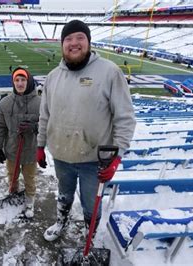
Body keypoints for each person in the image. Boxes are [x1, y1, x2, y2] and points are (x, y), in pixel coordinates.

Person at [37, 20, 136, 242]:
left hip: (94, 159)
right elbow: (44, 115)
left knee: (91, 203)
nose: (74, 43)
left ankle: (88, 232)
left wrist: (117, 156)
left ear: (89, 42)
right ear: (62, 45)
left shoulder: (110, 72)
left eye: (80, 38)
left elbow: (125, 118)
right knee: (64, 194)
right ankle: (61, 221)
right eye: (68, 39)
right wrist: (40, 145)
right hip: (61, 155)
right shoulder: (53, 77)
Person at [0, 67, 41, 218]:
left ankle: (29, 201)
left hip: (31, 150)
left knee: (30, 178)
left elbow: (49, 125)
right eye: (17, 80)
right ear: (13, 82)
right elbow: (0, 127)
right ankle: (13, 198)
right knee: (12, 177)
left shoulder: (40, 103)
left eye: (23, 80)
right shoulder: (5, 103)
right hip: (12, 149)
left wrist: (35, 127)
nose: (20, 83)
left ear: (29, 81)